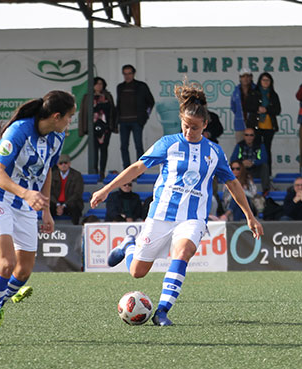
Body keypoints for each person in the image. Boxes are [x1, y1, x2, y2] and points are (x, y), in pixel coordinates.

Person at [91, 81, 262, 327]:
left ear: (205, 125)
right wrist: (107, 189)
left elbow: (233, 184)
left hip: (193, 218)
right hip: (161, 213)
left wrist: (249, 215)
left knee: (182, 253)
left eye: (194, 127)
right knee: (137, 272)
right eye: (185, 126)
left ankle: (162, 311)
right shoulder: (168, 143)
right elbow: (137, 167)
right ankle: (129, 247)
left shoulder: (214, 152)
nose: (188, 132)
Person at [0, 91, 75, 345]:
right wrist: (26, 194)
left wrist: (46, 209)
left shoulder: (57, 137)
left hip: (26, 203)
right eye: (69, 117)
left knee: (23, 271)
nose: (70, 122)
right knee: (6, 264)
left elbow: (48, 172)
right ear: (56, 116)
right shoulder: (19, 131)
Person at [116, 64, 155, 169]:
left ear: (133, 74)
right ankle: (126, 169)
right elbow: (118, 104)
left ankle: (139, 169)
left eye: (129, 74)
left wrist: (145, 116)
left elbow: (150, 102)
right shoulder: (120, 87)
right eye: (125, 74)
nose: (127, 76)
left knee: (138, 145)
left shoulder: (141, 86)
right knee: (124, 146)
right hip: (123, 121)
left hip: (136, 121)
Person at [79, 76, 116, 179]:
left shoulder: (107, 96)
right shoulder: (88, 97)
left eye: (101, 84)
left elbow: (112, 111)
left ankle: (102, 172)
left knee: (104, 150)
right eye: (97, 84)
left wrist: (112, 125)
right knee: (94, 150)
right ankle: (94, 172)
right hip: (93, 127)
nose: (99, 86)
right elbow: (84, 113)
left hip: (105, 128)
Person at [255, 72, 281, 176]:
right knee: (256, 148)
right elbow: (248, 105)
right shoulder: (254, 93)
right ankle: (256, 172)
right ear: (260, 81)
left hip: (269, 126)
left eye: (267, 80)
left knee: (266, 149)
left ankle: (268, 173)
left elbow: (277, 110)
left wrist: (266, 109)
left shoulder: (273, 94)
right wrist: (257, 108)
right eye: (263, 80)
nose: (265, 82)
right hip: (256, 126)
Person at [230, 127, 270, 192]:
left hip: (256, 169)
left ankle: (266, 190)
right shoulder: (239, 145)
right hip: (243, 170)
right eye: (247, 135)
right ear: (244, 136)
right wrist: (242, 163)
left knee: (265, 166)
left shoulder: (260, 145)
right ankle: (234, 189)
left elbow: (265, 159)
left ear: (254, 136)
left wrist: (253, 163)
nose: (249, 137)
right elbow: (233, 159)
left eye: (251, 135)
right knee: (234, 167)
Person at [49, 154, 84, 225]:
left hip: (70, 203)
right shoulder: (52, 175)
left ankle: (75, 228)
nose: (63, 165)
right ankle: (49, 229)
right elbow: (49, 192)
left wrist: (64, 205)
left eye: (65, 163)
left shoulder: (77, 175)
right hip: (55, 202)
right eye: (61, 163)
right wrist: (58, 205)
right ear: (57, 165)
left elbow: (77, 193)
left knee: (75, 206)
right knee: (48, 206)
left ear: (69, 164)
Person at [230, 67, 257, 144]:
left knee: (255, 147)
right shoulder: (236, 91)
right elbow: (233, 107)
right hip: (240, 125)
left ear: (251, 77)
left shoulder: (256, 90)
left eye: (248, 76)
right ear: (240, 78)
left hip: (254, 125)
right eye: (243, 76)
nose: (245, 79)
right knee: (240, 147)